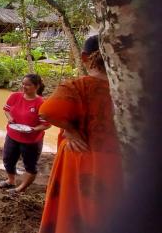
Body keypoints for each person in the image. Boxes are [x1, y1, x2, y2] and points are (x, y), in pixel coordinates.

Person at [38, 35, 122, 233]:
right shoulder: (129, 88)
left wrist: (71, 130)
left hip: (79, 158)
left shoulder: (78, 86)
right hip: (116, 161)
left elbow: (46, 112)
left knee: (71, 212)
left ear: (85, 57)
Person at [0, 74, 50, 194]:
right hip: (12, 135)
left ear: (36, 86)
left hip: (31, 140)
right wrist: (10, 118)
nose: (24, 87)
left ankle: (20, 188)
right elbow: (6, 110)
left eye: (28, 85)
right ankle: (11, 181)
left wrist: (34, 129)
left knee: (30, 166)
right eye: (23, 84)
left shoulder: (41, 103)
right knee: (8, 159)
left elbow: (47, 124)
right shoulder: (15, 96)